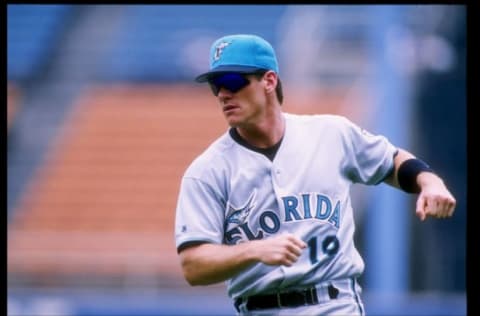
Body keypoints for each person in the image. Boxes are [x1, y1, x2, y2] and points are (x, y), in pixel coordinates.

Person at [174, 34, 456, 315]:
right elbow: (193, 265)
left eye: (234, 82)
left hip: (335, 304)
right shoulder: (207, 171)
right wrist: (253, 250)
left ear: (269, 81)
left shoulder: (330, 134)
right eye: (216, 85)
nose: (223, 93)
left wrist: (429, 181)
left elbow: (391, 161)